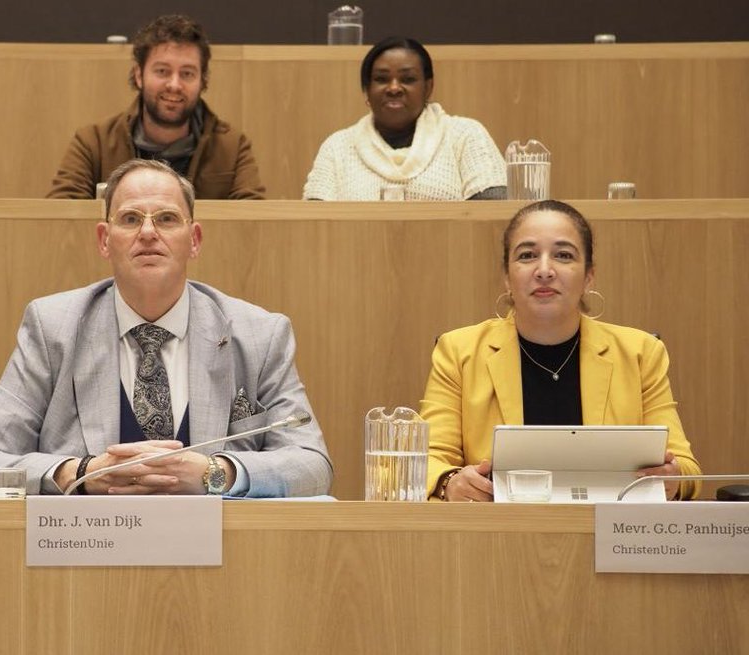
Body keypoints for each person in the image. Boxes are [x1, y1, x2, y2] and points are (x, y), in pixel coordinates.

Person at [0, 159, 330, 497]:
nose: (148, 233)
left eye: (166, 219)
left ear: (194, 240)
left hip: (221, 561)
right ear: (104, 240)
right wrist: (82, 473)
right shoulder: (53, 328)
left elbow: (312, 465)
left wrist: (215, 474)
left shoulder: (259, 334)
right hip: (84, 556)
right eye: (131, 219)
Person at [419, 200, 701, 501]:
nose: (544, 270)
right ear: (507, 276)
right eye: (527, 255)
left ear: (589, 276)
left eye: (563, 255)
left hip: (610, 536)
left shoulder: (641, 353)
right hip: (495, 535)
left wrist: (672, 480)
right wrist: (450, 483)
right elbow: (428, 461)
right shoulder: (459, 352)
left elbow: (686, 469)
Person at [47, 14, 266, 200]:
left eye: (187, 74)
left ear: (203, 80)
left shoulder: (232, 147)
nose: (174, 84)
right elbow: (60, 220)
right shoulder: (94, 142)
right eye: (162, 71)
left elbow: (254, 226)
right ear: (139, 75)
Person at [304, 36, 506, 201]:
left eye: (408, 79)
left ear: (428, 87)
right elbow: (315, 227)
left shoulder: (465, 135)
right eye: (381, 79)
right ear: (366, 89)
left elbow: (494, 217)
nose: (393, 88)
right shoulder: (337, 147)